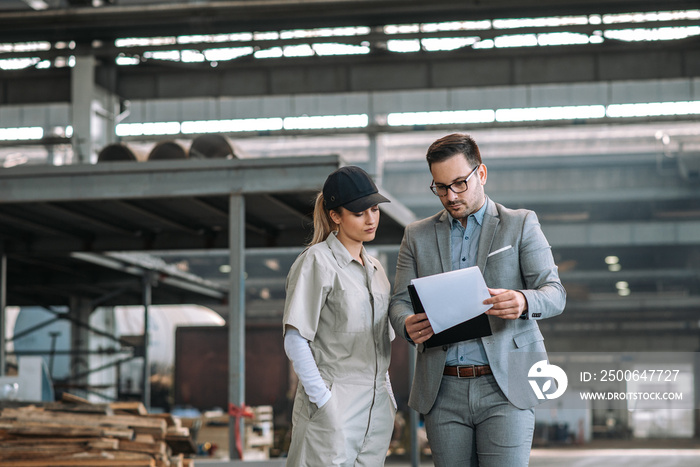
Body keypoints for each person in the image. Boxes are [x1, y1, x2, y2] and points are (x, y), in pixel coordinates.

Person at [389, 133, 566, 466]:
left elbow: (555, 293)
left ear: (480, 174)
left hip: (506, 387)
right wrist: (406, 325)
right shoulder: (416, 235)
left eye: (459, 183)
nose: (451, 195)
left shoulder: (521, 224)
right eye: (440, 187)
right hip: (443, 392)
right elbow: (398, 303)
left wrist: (524, 301)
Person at [283, 166, 397, 466]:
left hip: (376, 407)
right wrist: (323, 401)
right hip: (334, 402)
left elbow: (379, 342)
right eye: (360, 213)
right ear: (336, 215)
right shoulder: (317, 261)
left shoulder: (376, 270)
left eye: (374, 209)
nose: (371, 219)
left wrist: (387, 394)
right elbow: (296, 338)